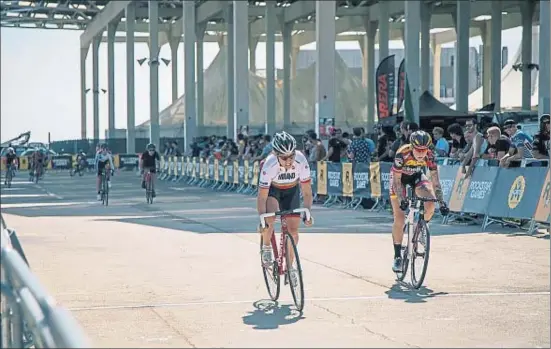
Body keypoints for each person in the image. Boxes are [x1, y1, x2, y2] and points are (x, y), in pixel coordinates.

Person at [257, 131, 314, 284]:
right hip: (273, 191)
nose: (289, 161)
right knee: (269, 218)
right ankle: (267, 247)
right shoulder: (269, 164)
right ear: (276, 155)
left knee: (293, 231)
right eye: (284, 157)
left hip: (291, 191)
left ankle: (290, 266)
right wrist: (262, 219)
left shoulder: (301, 161)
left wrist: (307, 213)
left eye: (291, 156)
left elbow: (307, 193)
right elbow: (262, 197)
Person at [389, 130, 449, 272]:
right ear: (412, 147)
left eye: (424, 150)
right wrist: (402, 199)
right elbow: (397, 181)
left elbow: (435, 181)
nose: (421, 153)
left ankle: (419, 229)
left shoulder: (430, 156)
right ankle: (397, 256)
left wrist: (441, 202)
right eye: (418, 150)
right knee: (399, 218)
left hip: (416, 176)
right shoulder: (402, 153)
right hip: (399, 180)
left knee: (430, 203)